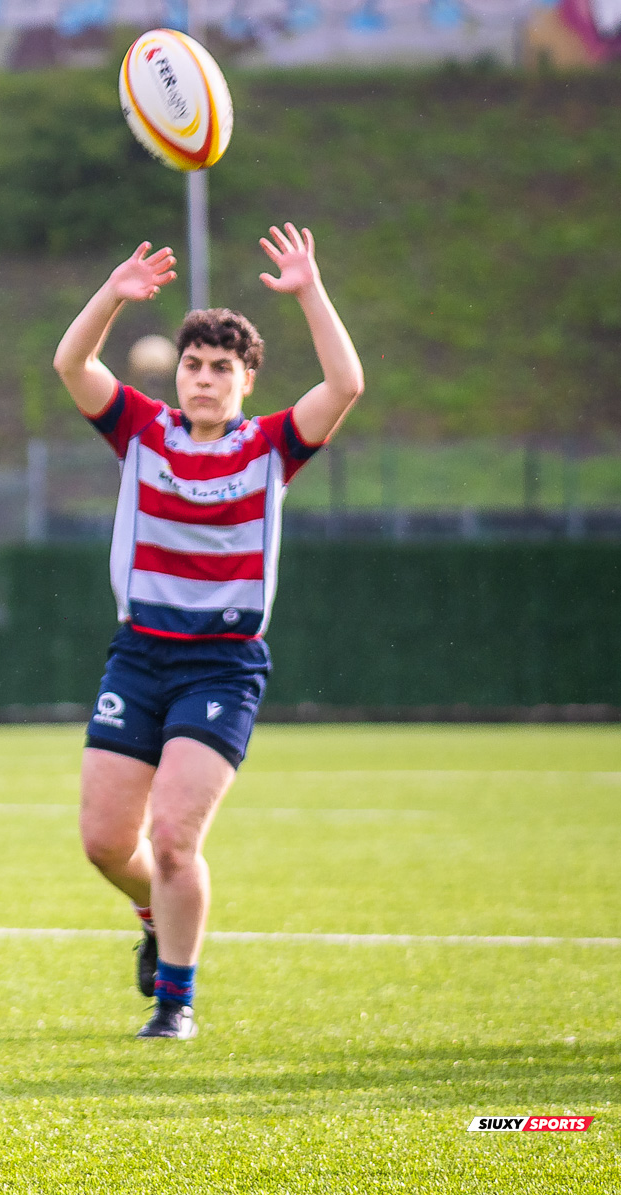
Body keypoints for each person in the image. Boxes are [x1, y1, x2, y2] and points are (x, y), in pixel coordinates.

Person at [51, 225, 364, 1039]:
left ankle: (175, 1001)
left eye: (222, 367)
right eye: (194, 363)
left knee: (176, 838)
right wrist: (113, 296)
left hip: (223, 667)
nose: (203, 377)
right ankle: (156, 916)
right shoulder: (142, 432)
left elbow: (347, 382)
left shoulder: (269, 447)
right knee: (103, 841)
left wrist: (307, 291)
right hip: (139, 654)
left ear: (246, 379)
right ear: (178, 371)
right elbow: (71, 366)